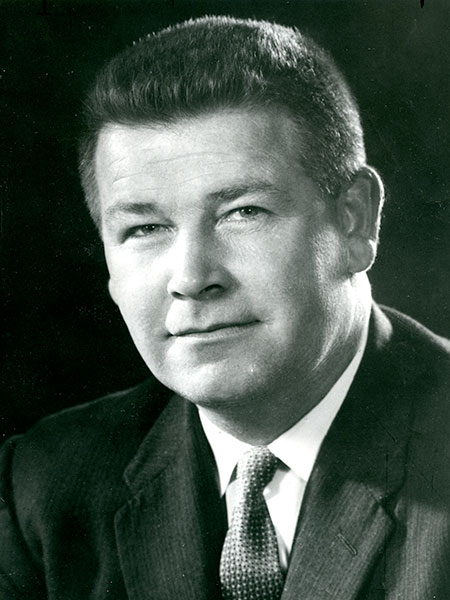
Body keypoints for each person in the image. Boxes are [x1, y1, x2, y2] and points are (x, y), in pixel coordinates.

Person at [1, 15, 450, 600]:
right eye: (144, 228)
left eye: (243, 213)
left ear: (355, 221)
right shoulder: (41, 486)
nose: (192, 279)